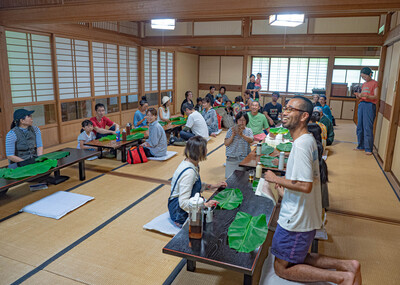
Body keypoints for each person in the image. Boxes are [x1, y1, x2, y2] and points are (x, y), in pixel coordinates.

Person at [263, 96, 361, 285]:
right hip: (304, 214)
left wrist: (276, 178)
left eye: (291, 109)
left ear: (304, 116)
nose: (285, 112)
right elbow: (306, 182)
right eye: (286, 107)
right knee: (298, 257)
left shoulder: (300, 146)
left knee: (281, 267)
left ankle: (341, 277)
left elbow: (305, 186)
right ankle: (349, 266)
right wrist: (286, 192)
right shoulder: (307, 140)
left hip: (297, 220)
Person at [168, 136, 227, 227]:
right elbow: (183, 202)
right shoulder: (189, 173)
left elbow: (195, 185)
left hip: (183, 204)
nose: (207, 150)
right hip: (178, 210)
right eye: (205, 148)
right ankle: (180, 221)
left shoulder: (192, 163)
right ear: (199, 152)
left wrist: (213, 186)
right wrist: (204, 205)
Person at [354, 67, 379, 155]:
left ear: (370, 74)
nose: (363, 79)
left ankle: (368, 148)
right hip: (362, 104)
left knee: (367, 127)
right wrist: (359, 96)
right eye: (362, 77)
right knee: (359, 126)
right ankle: (360, 146)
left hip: (370, 105)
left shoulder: (375, 83)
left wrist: (366, 96)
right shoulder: (364, 84)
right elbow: (363, 95)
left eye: (364, 77)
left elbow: (375, 96)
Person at [224, 111, 254, 178]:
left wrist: (242, 135)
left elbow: (251, 140)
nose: (241, 122)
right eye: (240, 120)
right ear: (237, 121)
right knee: (229, 178)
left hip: (243, 158)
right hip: (232, 158)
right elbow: (226, 143)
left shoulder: (248, 130)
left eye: (243, 120)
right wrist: (233, 135)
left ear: (246, 121)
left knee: (241, 178)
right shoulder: (231, 130)